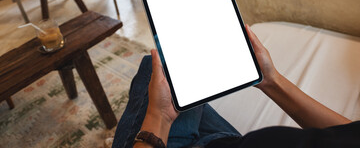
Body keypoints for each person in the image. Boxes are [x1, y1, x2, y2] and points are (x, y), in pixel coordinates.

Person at [112, 25, 359, 148]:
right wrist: (270, 80)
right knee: (187, 85)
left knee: (155, 67)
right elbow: (344, 134)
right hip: (230, 142)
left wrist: (160, 117)